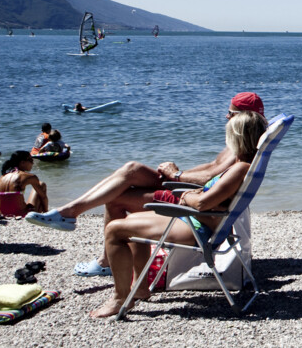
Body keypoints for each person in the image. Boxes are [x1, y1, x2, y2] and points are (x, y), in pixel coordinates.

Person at [24, 92, 265, 276]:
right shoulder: (242, 147)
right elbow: (212, 168)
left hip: (191, 200)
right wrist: (176, 174)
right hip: (189, 191)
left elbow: (208, 179)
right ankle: (70, 214)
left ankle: (102, 255)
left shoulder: (240, 158)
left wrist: (177, 175)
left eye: (231, 114)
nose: (226, 117)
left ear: (242, 119)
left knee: (118, 196)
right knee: (131, 170)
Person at [90, 110, 267, 318]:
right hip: (200, 221)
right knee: (129, 220)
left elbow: (201, 203)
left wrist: (187, 197)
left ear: (237, 137)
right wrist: (194, 195)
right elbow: (209, 199)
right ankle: (139, 287)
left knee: (114, 229)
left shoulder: (240, 169)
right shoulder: (244, 166)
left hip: (196, 227)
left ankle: (120, 299)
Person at [0, 151, 48, 217]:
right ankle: (46, 214)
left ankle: (2, 214)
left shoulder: (2, 177)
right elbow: (43, 197)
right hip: (21, 214)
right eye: (31, 160)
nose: (32, 163)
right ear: (22, 162)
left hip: (3, 214)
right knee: (41, 184)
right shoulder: (30, 177)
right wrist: (46, 211)